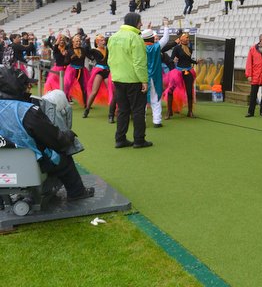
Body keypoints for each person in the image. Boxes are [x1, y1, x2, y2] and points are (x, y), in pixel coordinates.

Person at [0, 67, 95, 201]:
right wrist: (68, 136)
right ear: (17, 87)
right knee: (63, 154)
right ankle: (77, 193)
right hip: (30, 164)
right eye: (27, 85)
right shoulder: (26, 111)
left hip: (4, 168)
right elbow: (56, 140)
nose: (29, 88)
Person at [108, 13, 152, 149]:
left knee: (122, 110)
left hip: (118, 79)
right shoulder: (136, 38)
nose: (141, 24)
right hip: (133, 80)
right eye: (140, 22)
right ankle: (139, 140)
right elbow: (139, 62)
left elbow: (110, 60)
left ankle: (120, 139)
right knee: (138, 110)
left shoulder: (113, 37)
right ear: (135, 22)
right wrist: (144, 81)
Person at [166, 32, 202, 118]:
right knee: (170, 91)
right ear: (181, 39)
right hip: (178, 72)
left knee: (189, 92)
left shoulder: (189, 49)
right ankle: (169, 111)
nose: (187, 39)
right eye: (186, 37)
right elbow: (171, 59)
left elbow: (189, 60)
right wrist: (173, 60)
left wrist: (196, 62)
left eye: (188, 38)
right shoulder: (177, 48)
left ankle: (190, 112)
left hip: (188, 71)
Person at [142, 20, 170, 128]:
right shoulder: (156, 46)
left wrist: (148, 29)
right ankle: (157, 121)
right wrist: (166, 26)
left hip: (143, 77)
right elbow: (165, 38)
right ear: (152, 38)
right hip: (156, 76)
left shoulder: (140, 47)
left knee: (142, 100)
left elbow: (141, 37)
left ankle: (142, 121)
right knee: (156, 97)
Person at [82, 35, 116, 122]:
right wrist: (87, 42)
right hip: (99, 72)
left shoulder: (107, 49)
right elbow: (87, 52)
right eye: (101, 40)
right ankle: (87, 109)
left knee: (112, 91)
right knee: (94, 92)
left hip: (107, 71)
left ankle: (111, 114)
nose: (103, 41)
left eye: (103, 40)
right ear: (97, 42)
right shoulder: (94, 50)